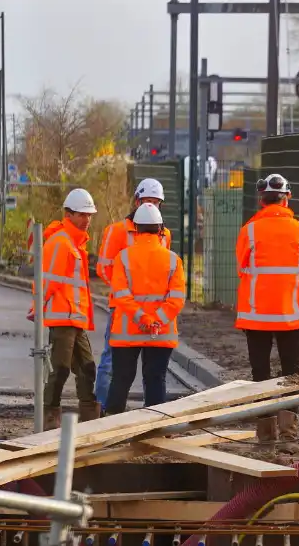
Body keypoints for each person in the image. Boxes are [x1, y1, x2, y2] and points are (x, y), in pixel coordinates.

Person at [235, 173, 299, 443]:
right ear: (287, 198)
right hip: (290, 315)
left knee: (260, 373)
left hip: (256, 315)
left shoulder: (249, 231)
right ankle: (289, 431)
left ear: (261, 201)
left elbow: (241, 267)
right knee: (293, 372)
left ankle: (265, 432)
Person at [94, 178, 172, 410]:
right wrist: (127, 294)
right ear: (137, 201)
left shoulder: (164, 234)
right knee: (112, 363)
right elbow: (104, 268)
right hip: (122, 308)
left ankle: (145, 416)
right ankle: (103, 408)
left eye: (156, 202)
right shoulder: (116, 231)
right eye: (148, 201)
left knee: (152, 370)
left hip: (151, 311)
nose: (151, 206)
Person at [104, 203, 186, 415]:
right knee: (155, 379)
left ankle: (111, 429)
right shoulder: (173, 260)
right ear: (161, 230)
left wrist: (142, 318)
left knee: (121, 379)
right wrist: (155, 320)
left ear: (136, 229)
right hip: (160, 333)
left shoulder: (123, 258)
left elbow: (120, 295)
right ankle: (154, 430)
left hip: (127, 332)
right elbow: (176, 299)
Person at [30, 188, 100, 430]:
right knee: (59, 369)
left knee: (87, 367)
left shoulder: (73, 242)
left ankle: (90, 418)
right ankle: (50, 417)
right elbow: (48, 280)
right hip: (63, 318)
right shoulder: (61, 242)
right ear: (68, 214)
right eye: (82, 215)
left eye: (89, 215)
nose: (87, 220)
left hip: (74, 319)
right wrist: (36, 307)